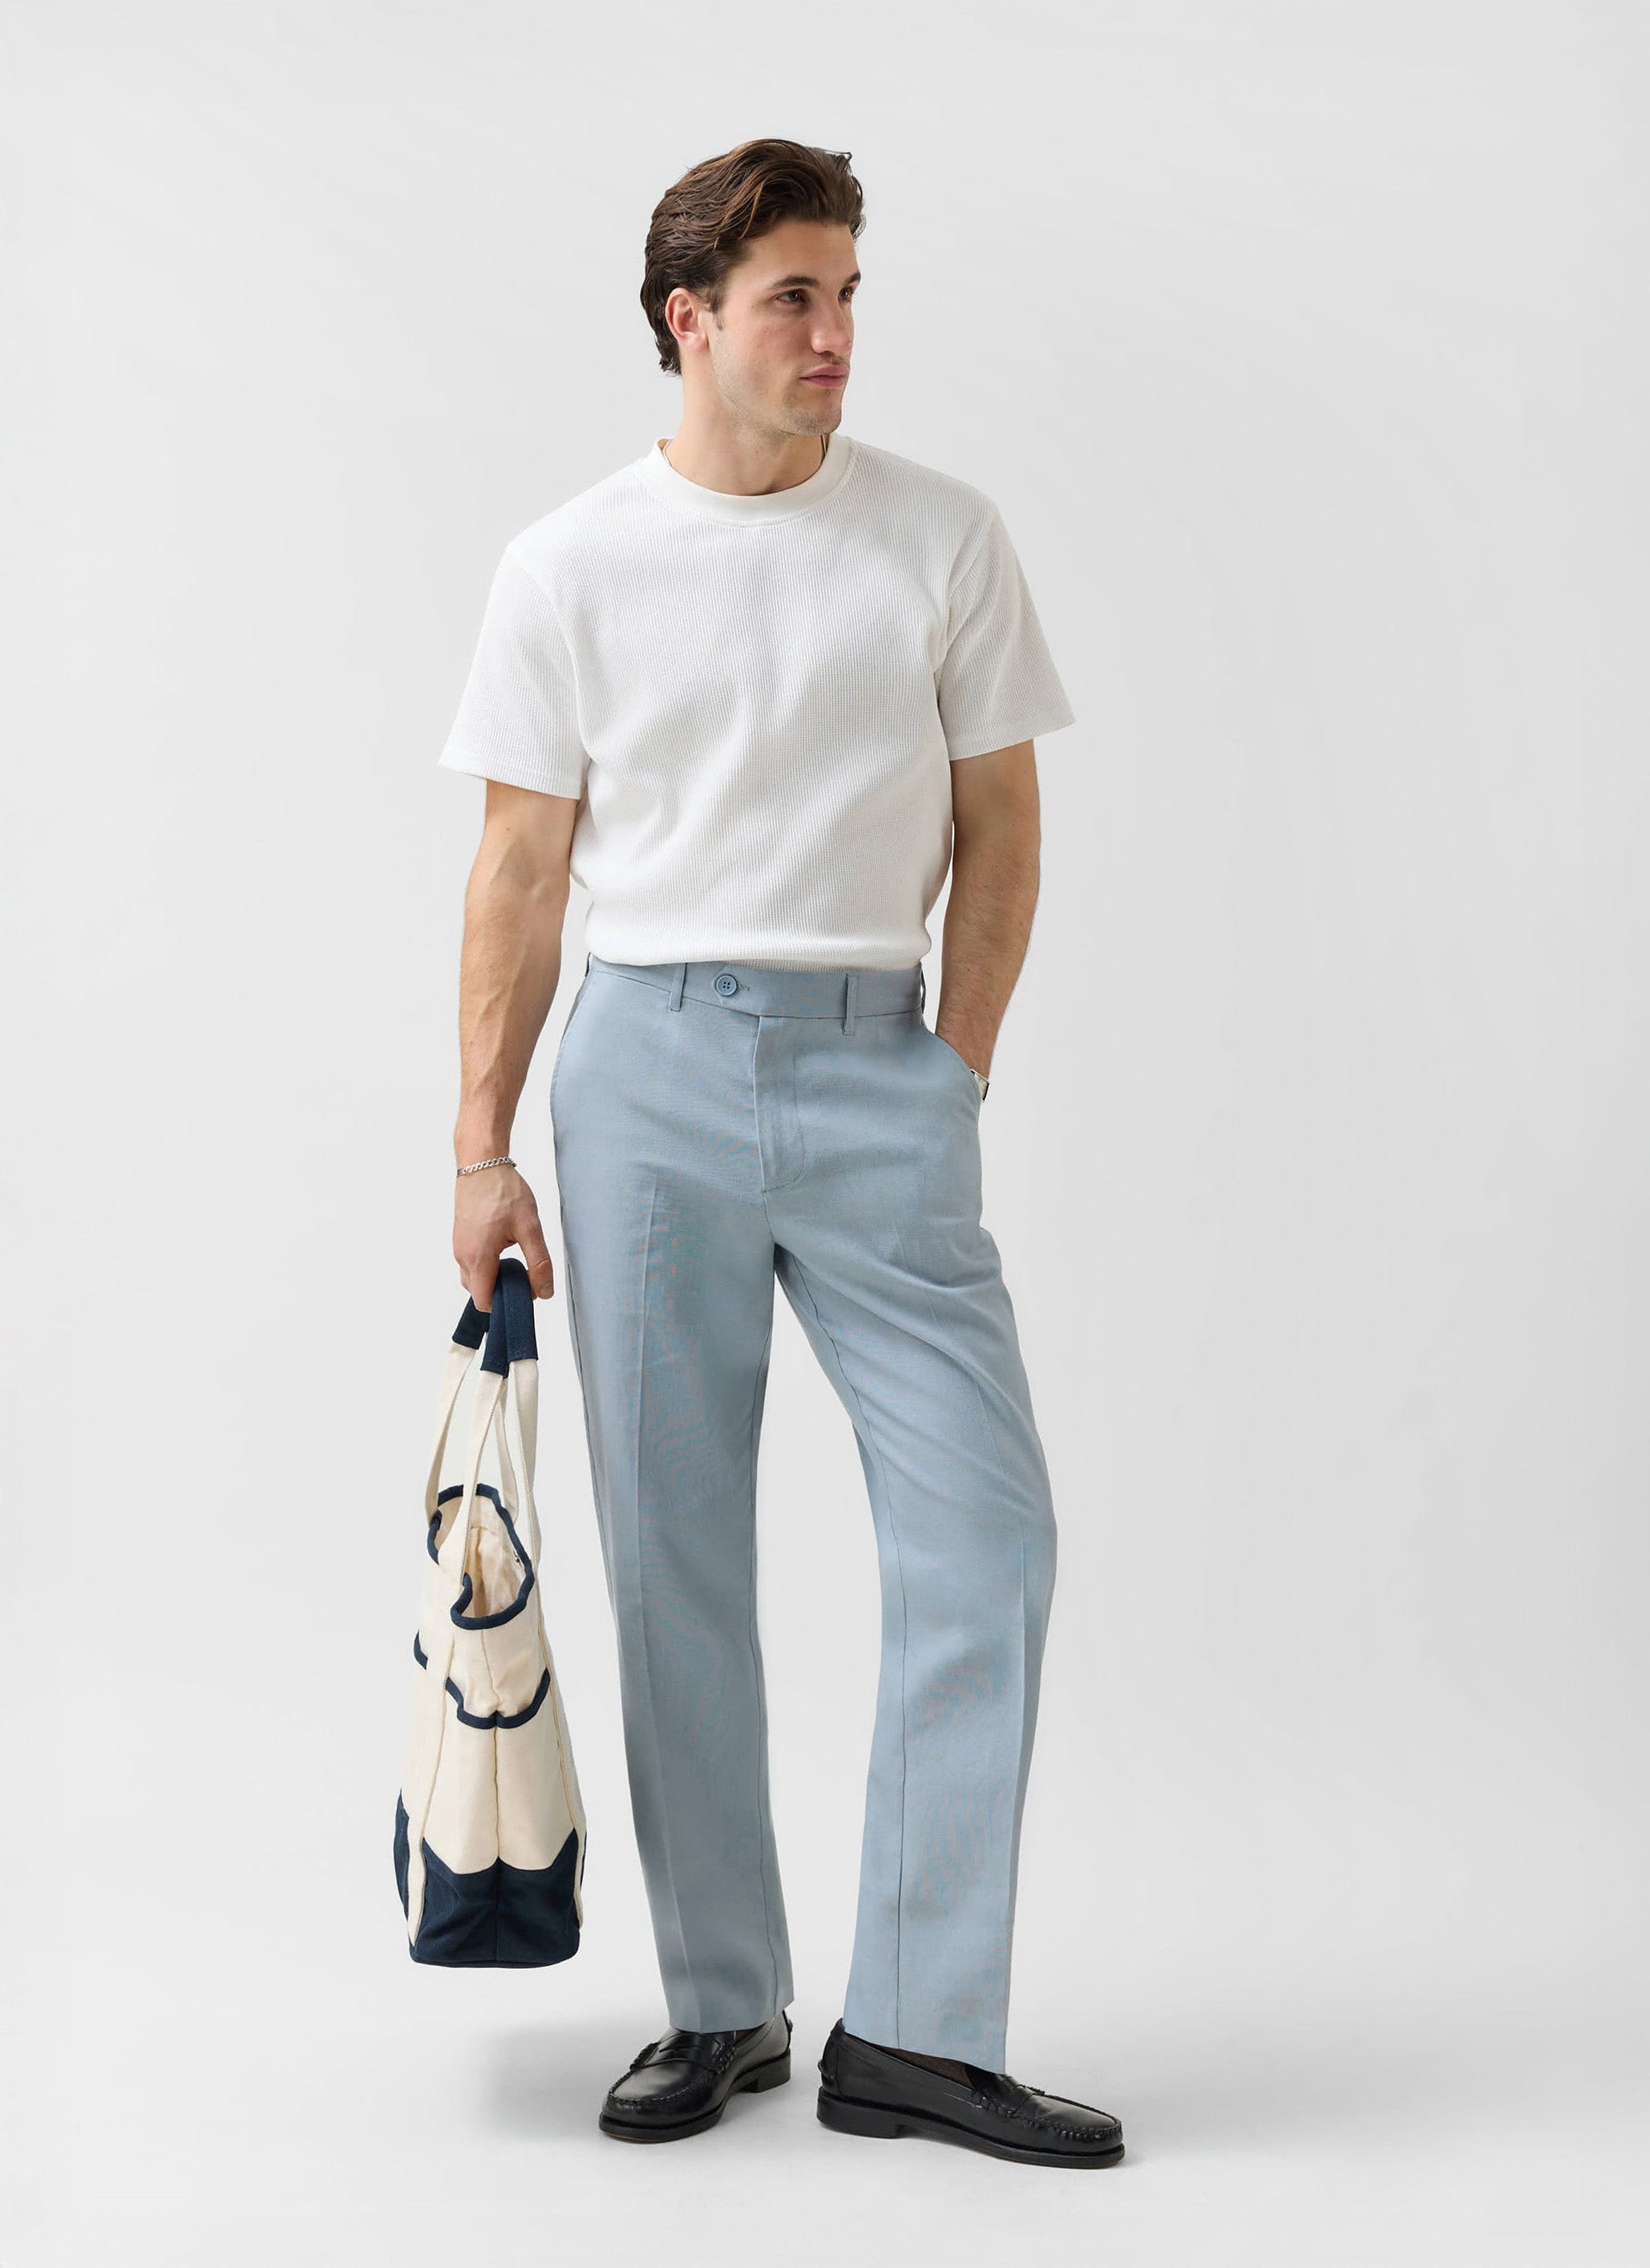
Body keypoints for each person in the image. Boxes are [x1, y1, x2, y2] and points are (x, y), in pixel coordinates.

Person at [435, 136, 1124, 2170]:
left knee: (986, 1532)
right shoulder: (569, 562)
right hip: (640, 1070)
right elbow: (515, 870)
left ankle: (916, 2025)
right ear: (693, 323)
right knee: (677, 1558)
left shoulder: (941, 534)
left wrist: (954, 1069)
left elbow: (1000, 821)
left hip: (872, 1065)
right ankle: (722, 1993)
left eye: (846, 298)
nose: (833, 339)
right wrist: (481, 1144)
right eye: (792, 302)